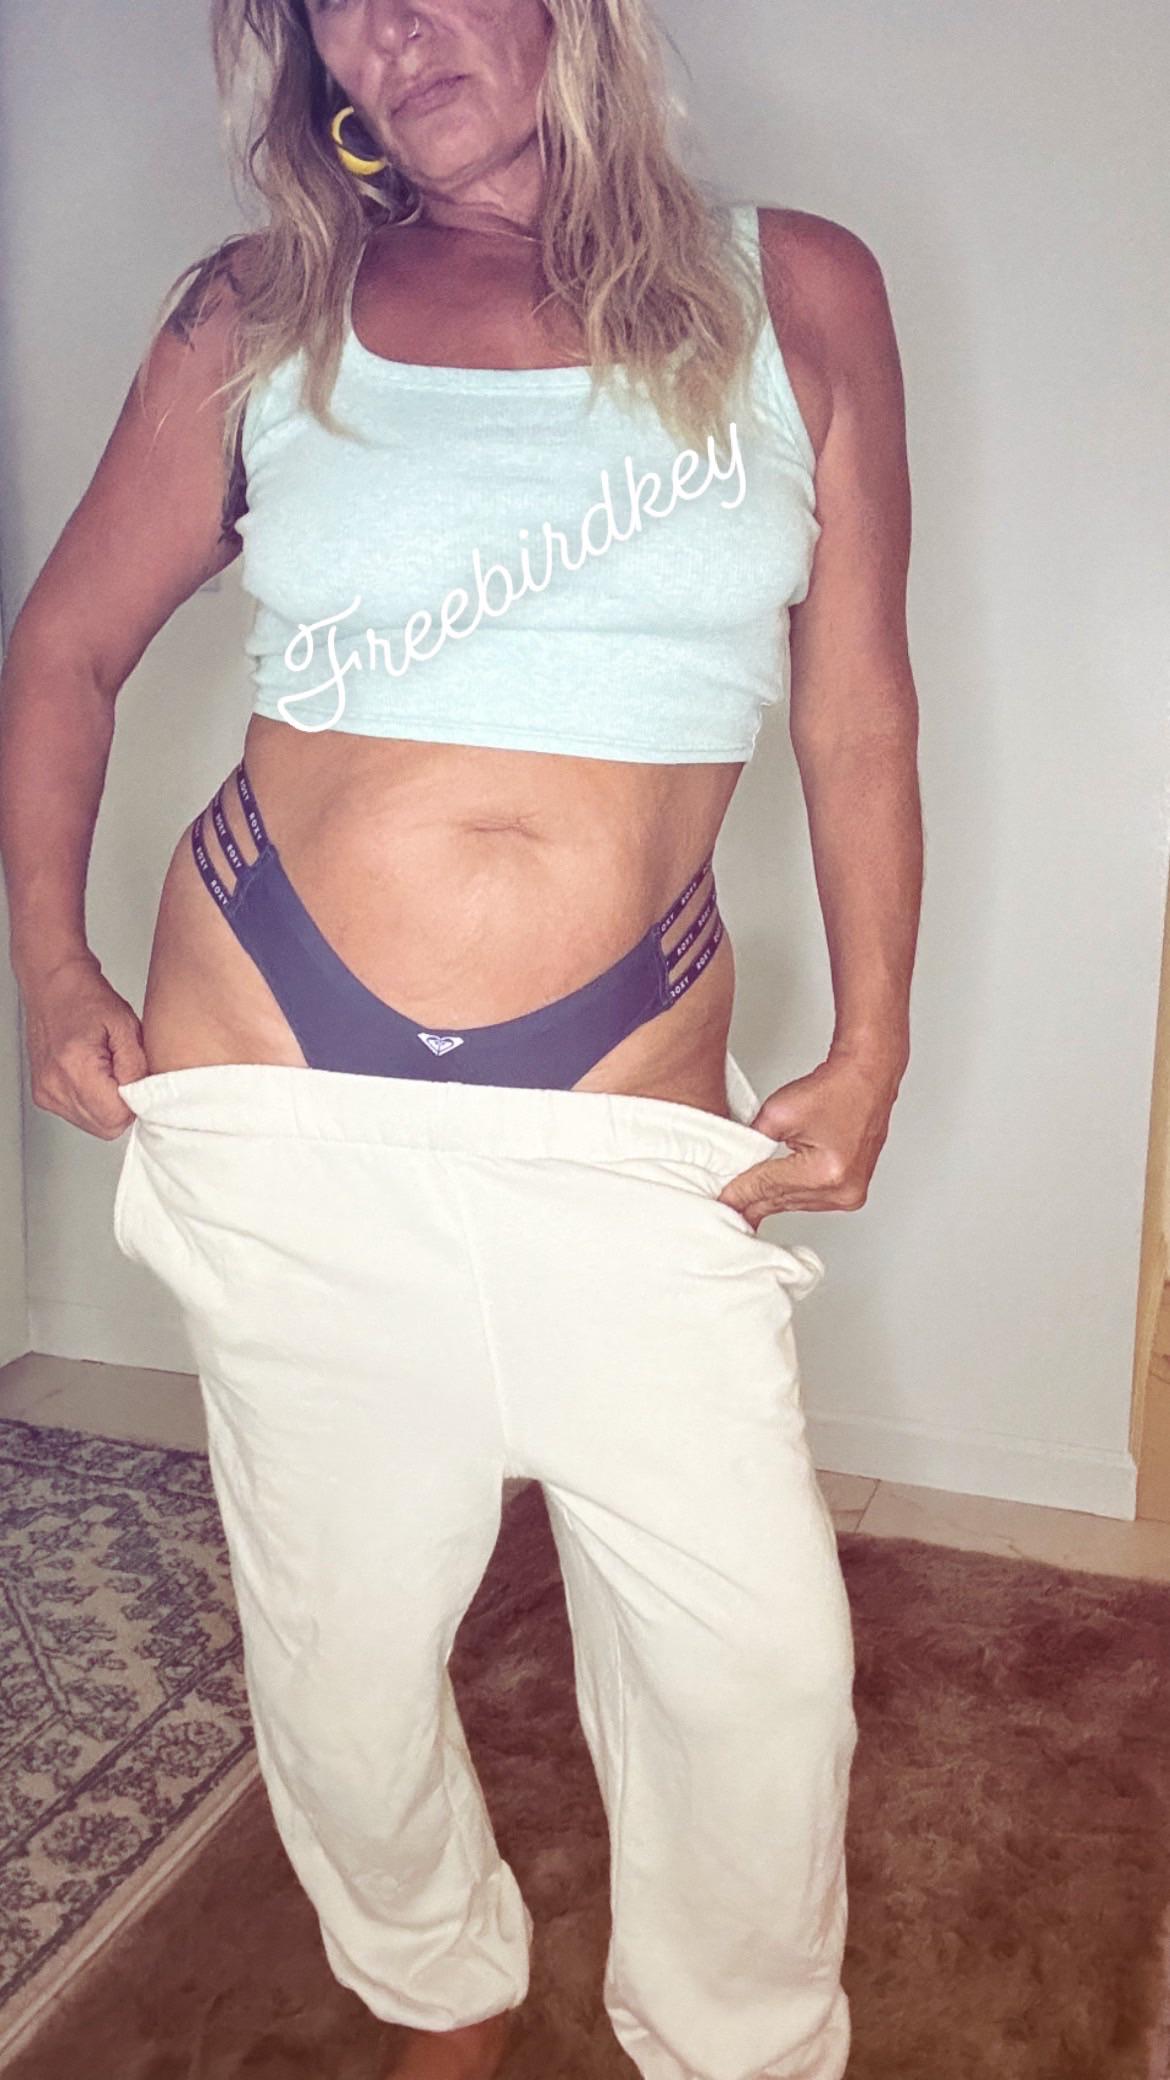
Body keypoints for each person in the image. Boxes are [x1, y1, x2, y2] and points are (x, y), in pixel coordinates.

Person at [0, 0, 921, 2074]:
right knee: (339, 1664)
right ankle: (443, 1981)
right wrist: (51, 966)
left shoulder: (799, 289)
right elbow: (61, 648)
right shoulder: (256, 312)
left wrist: (874, 1037)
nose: (385, 26)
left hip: (621, 1109)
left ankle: (737, 2042)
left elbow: (857, 704)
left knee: (758, 1675)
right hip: (282, 1079)